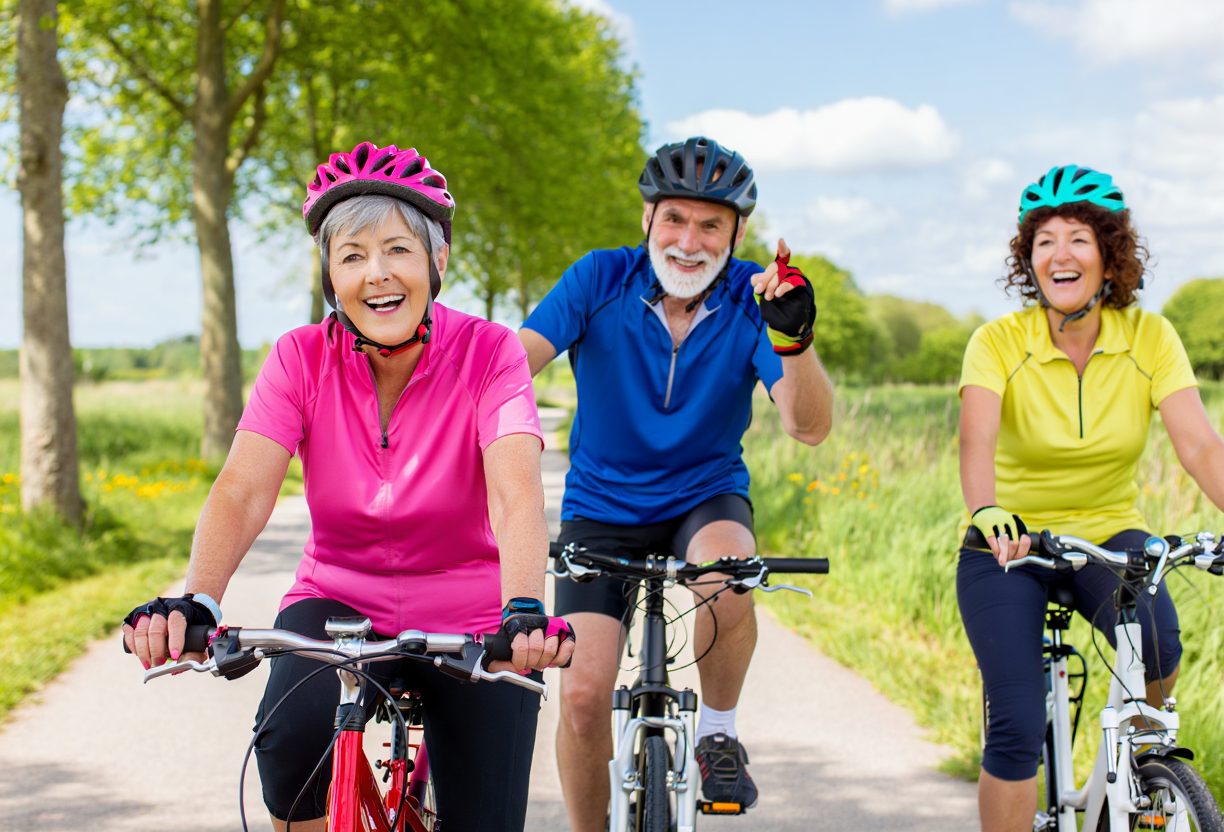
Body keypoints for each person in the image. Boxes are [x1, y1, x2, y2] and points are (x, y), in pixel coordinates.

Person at [122, 141, 575, 832]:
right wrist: (198, 598)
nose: (377, 274)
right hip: (337, 601)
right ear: (331, 275)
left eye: (397, 249)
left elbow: (516, 492)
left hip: (473, 609)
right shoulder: (298, 358)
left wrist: (523, 608)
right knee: (285, 751)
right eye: (352, 255)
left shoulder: (491, 352)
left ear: (438, 261)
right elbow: (244, 487)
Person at [518, 136, 834, 830]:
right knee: (581, 698)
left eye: (711, 224)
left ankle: (718, 733)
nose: (690, 242)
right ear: (648, 220)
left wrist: (796, 341)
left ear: (737, 232)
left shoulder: (757, 298)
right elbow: (511, 370)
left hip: (705, 496)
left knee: (726, 577)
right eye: (675, 221)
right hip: (600, 507)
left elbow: (808, 427)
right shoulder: (598, 278)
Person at [957, 164, 1224, 832]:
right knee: (1015, 728)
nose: (1059, 253)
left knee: (1158, 648)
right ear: (1029, 259)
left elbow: (1200, 447)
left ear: (1109, 254)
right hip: (1009, 544)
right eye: (1043, 240)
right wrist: (988, 510)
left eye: (1077, 237)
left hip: (1110, 535)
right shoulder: (998, 342)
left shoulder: (1150, 338)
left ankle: (1132, 770)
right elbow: (976, 444)